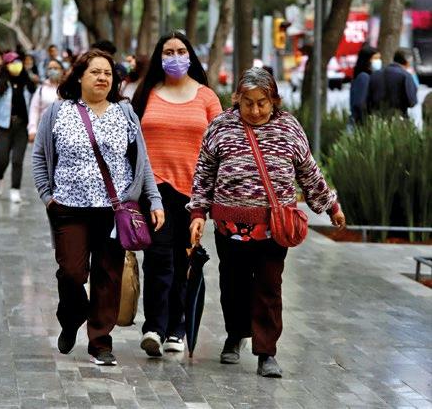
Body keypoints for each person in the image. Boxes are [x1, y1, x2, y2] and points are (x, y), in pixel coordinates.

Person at [188, 68, 346, 378]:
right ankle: (235, 335)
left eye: (262, 103)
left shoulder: (289, 127)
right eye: (248, 103)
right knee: (232, 285)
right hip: (229, 226)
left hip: (274, 226)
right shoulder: (220, 126)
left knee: (269, 287)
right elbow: (204, 173)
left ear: (274, 100)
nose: (256, 110)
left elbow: (308, 171)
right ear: (238, 99)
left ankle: (266, 351)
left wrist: (331, 206)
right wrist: (197, 214)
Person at [32, 49, 165, 366]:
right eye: (95, 72)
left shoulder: (125, 113)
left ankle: (100, 342)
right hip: (69, 207)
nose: (103, 78)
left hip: (114, 210)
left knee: (108, 276)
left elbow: (141, 162)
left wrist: (154, 200)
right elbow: (39, 157)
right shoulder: (58, 111)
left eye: (108, 73)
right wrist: (47, 196)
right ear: (79, 76)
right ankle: (72, 316)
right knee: (71, 272)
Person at [131, 31, 222, 357]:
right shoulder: (146, 94)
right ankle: (154, 327)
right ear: (159, 57)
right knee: (157, 258)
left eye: (181, 51)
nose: (174, 57)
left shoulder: (207, 97)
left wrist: (213, 196)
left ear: (190, 55)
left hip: (193, 194)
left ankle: (177, 328)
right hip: (153, 190)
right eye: (168, 51)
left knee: (183, 260)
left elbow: (220, 146)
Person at [0, 58, 30, 203]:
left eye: (18, 62)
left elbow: (34, 106)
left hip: (21, 127)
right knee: (2, 160)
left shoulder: (26, 84)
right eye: (12, 63)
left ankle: (15, 189)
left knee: (17, 160)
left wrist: (33, 127)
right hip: (3, 127)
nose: (16, 66)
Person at [367, 49, 418, 118]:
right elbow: (412, 102)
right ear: (408, 62)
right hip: (398, 118)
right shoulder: (406, 76)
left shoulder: (375, 75)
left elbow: (368, 99)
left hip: (377, 118)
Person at [27, 58, 64, 142]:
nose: (52, 70)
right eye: (50, 68)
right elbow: (34, 110)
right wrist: (32, 130)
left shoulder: (67, 89)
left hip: (64, 133)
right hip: (44, 132)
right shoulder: (41, 89)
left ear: (62, 70)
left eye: (55, 68)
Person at [349, 44, 380, 124]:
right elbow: (360, 103)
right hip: (361, 122)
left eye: (379, 58)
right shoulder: (364, 77)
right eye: (375, 58)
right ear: (367, 60)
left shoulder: (364, 76)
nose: (378, 61)